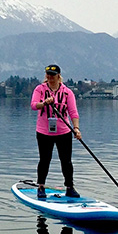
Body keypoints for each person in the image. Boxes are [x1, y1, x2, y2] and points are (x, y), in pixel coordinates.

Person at [30, 64, 81, 199]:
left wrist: (76, 129)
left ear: (58, 76)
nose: (50, 77)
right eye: (48, 75)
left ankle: (69, 187)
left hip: (63, 132)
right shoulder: (40, 89)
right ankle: (41, 187)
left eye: (52, 75)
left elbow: (73, 113)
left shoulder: (67, 92)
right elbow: (34, 105)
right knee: (44, 160)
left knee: (66, 161)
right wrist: (44, 103)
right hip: (44, 132)